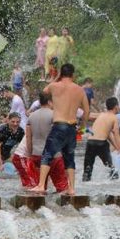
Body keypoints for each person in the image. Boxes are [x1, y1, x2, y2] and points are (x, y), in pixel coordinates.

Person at [29, 63, 90, 195]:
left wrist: (56, 78)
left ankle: (40, 185)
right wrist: (83, 126)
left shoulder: (54, 86)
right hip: (72, 127)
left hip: (59, 125)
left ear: (61, 74)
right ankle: (72, 188)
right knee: (69, 158)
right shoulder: (80, 90)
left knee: (47, 155)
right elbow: (87, 110)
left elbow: (43, 94)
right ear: (73, 75)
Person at [25, 92, 68, 193]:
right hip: (54, 156)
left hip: (36, 155)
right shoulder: (55, 115)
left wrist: (30, 154)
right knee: (62, 187)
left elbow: (28, 137)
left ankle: (39, 207)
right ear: (49, 102)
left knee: (40, 186)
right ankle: (64, 208)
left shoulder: (31, 116)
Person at [82, 97, 120, 182]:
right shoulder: (114, 118)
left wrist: (116, 147)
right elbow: (116, 135)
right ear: (116, 107)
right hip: (101, 144)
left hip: (90, 142)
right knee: (111, 169)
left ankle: (85, 188)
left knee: (87, 170)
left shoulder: (101, 115)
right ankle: (114, 188)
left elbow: (107, 134)